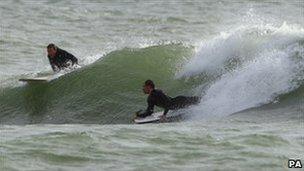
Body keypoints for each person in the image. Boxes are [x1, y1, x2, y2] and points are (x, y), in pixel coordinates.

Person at [136, 80, 200, 120]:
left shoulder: (158, 92)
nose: (143, 88)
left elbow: (168, 103)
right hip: (175, 107)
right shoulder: (150, 99)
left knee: (198, 101)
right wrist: (139, 115)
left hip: (178, 101)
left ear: (149, 87)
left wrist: (164, 115)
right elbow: (150, 111)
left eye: (144, 86)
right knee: (196, 103)